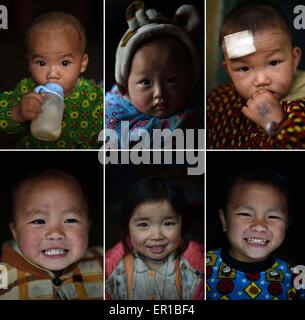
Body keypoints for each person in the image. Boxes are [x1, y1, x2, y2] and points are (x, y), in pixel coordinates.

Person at [207, 2, 305, 149]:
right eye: (244, 68)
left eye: (273, 63)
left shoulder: (300, 100)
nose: (261, 80)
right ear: (228, 71)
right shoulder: (218, 100)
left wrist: (275, 123)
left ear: (294, 59)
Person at [0, 11, 103, 149]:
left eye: (65, 63)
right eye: (41, 63)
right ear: (29, 64)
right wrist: (18, 112)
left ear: (82, 63)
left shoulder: (93, 95)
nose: (52, 74)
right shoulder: (26, 90)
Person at [105, 1, 200, 148]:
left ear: (190, 79)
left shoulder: (195, 118)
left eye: (171, 80)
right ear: (125, 85)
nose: (159, 93)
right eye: (145, 82)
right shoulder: (111, 115)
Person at [0, 170, 103, 300]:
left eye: (70, 220)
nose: (55, 233)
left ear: (88, 226)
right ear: (14, 232)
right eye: (39, 221)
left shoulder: (105, 262)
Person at [206, 167, 305, 300]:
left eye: (273, 216)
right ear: (224, 220)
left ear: (287, 224)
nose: (259, 226)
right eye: (245, 214)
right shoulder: (202, 267)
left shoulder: (297, 277)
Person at [105, 176, 203, 300]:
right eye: (143, 225)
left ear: (182, 225)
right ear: (127, 227)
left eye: (168, 224)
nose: (157, 236)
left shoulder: (194, 268)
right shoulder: (114, 270)